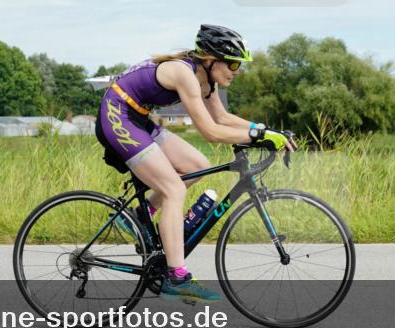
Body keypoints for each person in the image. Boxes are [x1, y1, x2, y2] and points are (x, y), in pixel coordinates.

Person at [95, 24, 296, 303]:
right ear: (211, 59)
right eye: (234, 63)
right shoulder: (184, 74)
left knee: (196, 164)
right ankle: (176, 277)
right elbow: (210, 132)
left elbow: (223, 119)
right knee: (174, 190)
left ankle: (142, 214)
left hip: (137, 117)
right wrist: (259, 136)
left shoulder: (207, 81)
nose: (237, 71)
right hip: (117, 114)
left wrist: (265, 130)